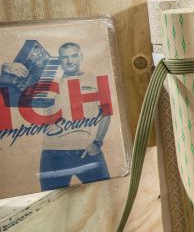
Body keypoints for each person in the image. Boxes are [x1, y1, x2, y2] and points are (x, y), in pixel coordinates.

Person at [2, 42, 113, 189]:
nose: (70, 61)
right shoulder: (46, 82)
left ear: (81, 56)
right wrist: (5, 69)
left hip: (87, 152)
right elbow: (9, 95)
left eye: (74, 56)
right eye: (65, 57)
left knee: (106, 194)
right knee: (50, 199)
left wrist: (98, 142)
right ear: (59, 59)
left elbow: (107, 112)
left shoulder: (95, 79)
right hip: (53, 155)